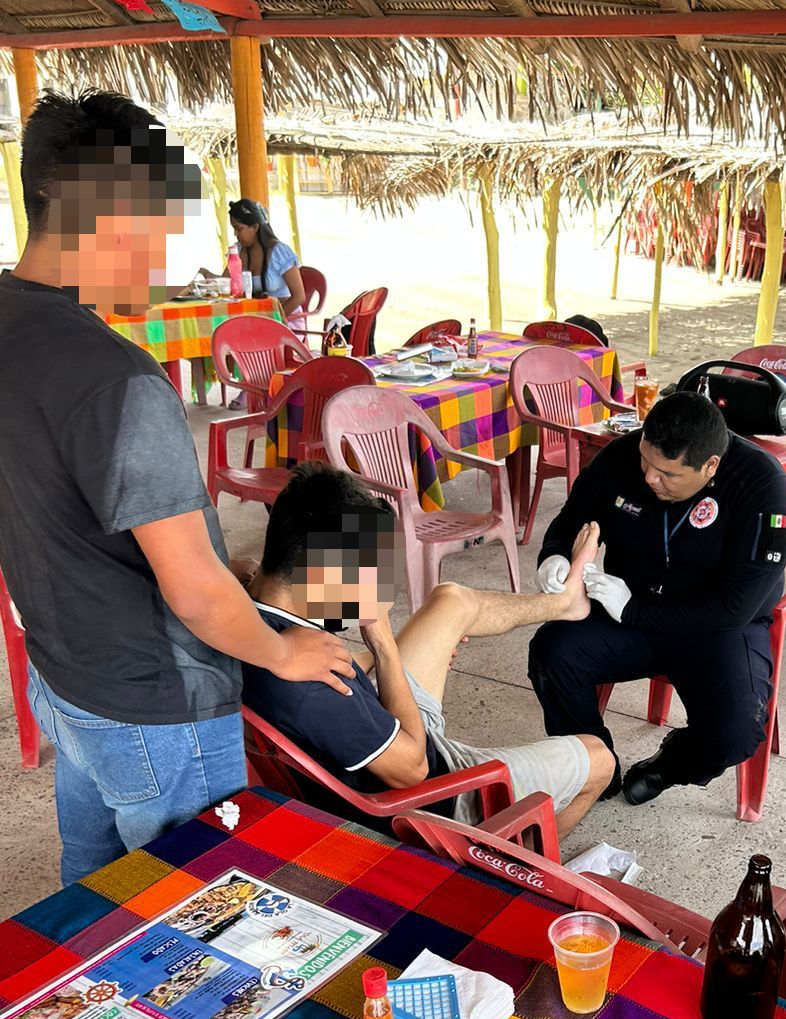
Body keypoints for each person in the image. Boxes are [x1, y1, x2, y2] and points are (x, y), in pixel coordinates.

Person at [0, 90, 351, 885]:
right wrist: (281, 650)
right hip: (155, 703)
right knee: (200, 912)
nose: (166, 252)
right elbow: (193, 591)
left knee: (90, 882)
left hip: (62, 673)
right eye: (161, 219)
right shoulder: (117, 378)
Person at [241, 464, 615, 838]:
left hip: (377, 729)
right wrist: (384, 644)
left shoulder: (242, 617)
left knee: (449, 600)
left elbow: (242, 568)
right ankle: (512, 872)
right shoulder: (316, 689)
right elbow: (414, 769)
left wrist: (381, 658)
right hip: (428, 797)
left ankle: (564, 603)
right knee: (599, 758)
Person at [528, 390, 786, 805]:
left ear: (710, 465)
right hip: (627, 611)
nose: (650, 478)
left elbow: (735, 606)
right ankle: (595, 766)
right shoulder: (620, 457)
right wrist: (555, 558)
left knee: (737, 732)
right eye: (646, 463)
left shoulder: (762, 486)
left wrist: (635, 610)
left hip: (718, 629)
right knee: (552, 653)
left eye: (668, 475)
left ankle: (669, 765)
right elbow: (571, 519)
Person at [206, 197, 306, 323]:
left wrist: (271, 321)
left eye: (239, 229)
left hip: (285, 320)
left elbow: (299, 297)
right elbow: (225, 284)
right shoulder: (238, 251)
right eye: (234, 229)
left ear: (254, 227)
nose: (235, 234)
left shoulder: (279, 253)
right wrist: (206, 276)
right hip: (252, 319)